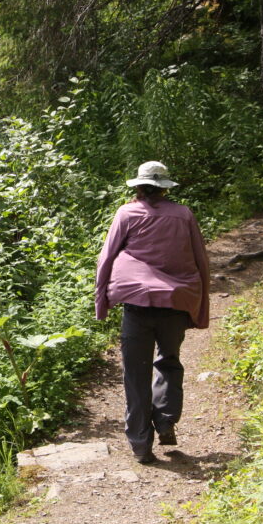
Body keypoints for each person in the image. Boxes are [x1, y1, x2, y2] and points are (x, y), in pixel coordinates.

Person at [95, 161, 210, 464]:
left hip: (137, 305)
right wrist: (201, 309)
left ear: (139, 186)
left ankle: (140, 445)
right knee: (169, 361)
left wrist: (101, 304)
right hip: (175, 303)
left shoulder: (127, 213)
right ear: (164, 188)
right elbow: (201, 260)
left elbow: (106, 258)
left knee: (136, 374)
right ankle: (166, 419)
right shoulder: (183, 215)